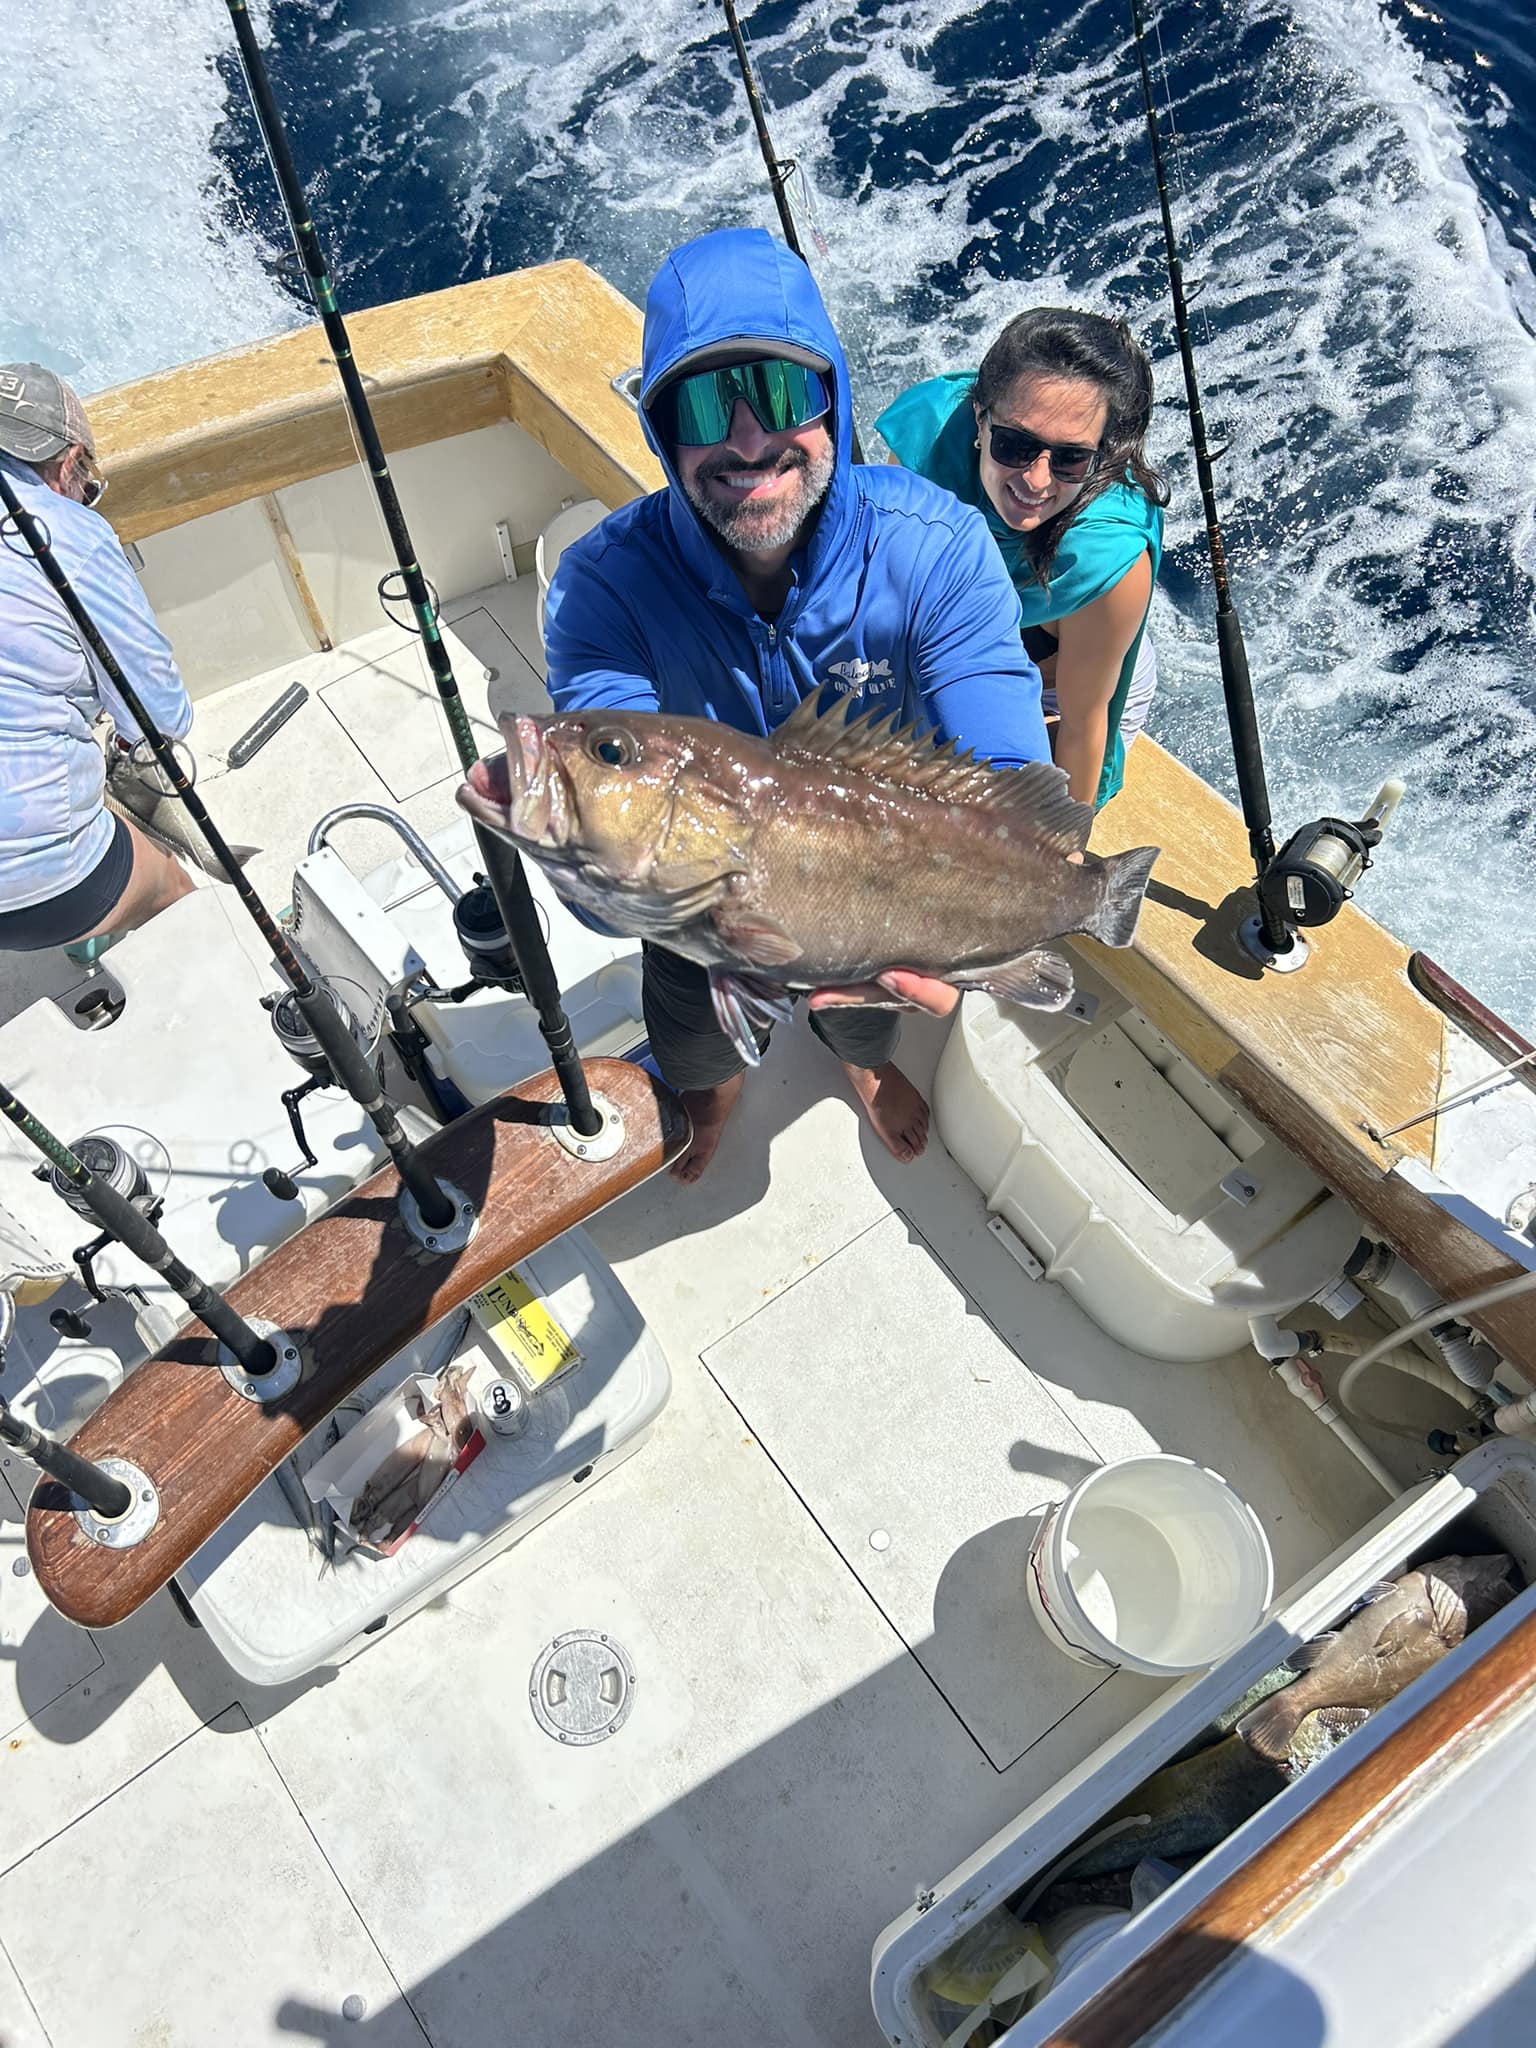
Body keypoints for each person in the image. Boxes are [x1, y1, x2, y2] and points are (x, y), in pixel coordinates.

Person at [544, 227, 1050, 1183]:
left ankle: (864, 1068)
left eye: (779, 392)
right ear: (661, 428)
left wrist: (982, 919)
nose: (746, 440)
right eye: (704, 403)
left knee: (861, 1017)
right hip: (693, 908)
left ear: (833, 396)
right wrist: (581, 851)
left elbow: (1009, 766)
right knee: (694, 1038)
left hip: (877, 895)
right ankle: (713, 1092)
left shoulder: (937, 548)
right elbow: (607, 849)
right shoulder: (600, 589)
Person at [876, 309, 1167, 809]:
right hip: (952, 646)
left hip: (1069, 682)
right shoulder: (926, 447)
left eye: (1070, 457)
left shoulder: (1108, 561)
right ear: (979, 420)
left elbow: (1082, 727)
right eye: (1014, 444)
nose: (1036, 480)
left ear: (1100, 453)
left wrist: (1060, 846)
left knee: (1009, 814)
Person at [0, 363, 195, 957]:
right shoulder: (70, 533)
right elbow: (159, 719)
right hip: (38, 887)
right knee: (172, 886)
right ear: (67, 464)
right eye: (86, 482)